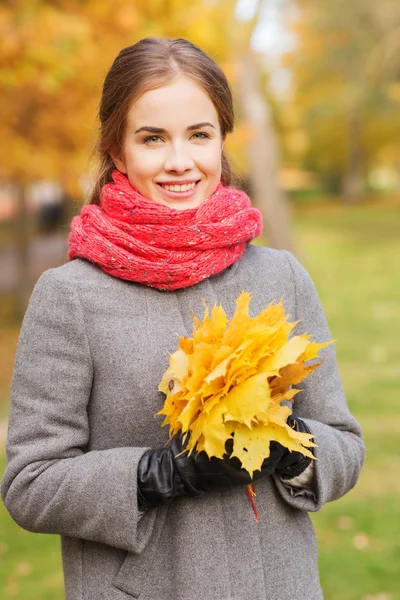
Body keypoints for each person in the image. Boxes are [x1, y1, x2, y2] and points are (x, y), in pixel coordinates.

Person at [1, 37, 365, 600]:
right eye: (152, 139)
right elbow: (30, 483)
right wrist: (157, 474)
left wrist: (294, 447)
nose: (180, 160)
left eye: (199, 134)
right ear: (118, 152)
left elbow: (345, 443)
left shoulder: (281, 277)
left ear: (221, 141)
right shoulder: (69, 296)